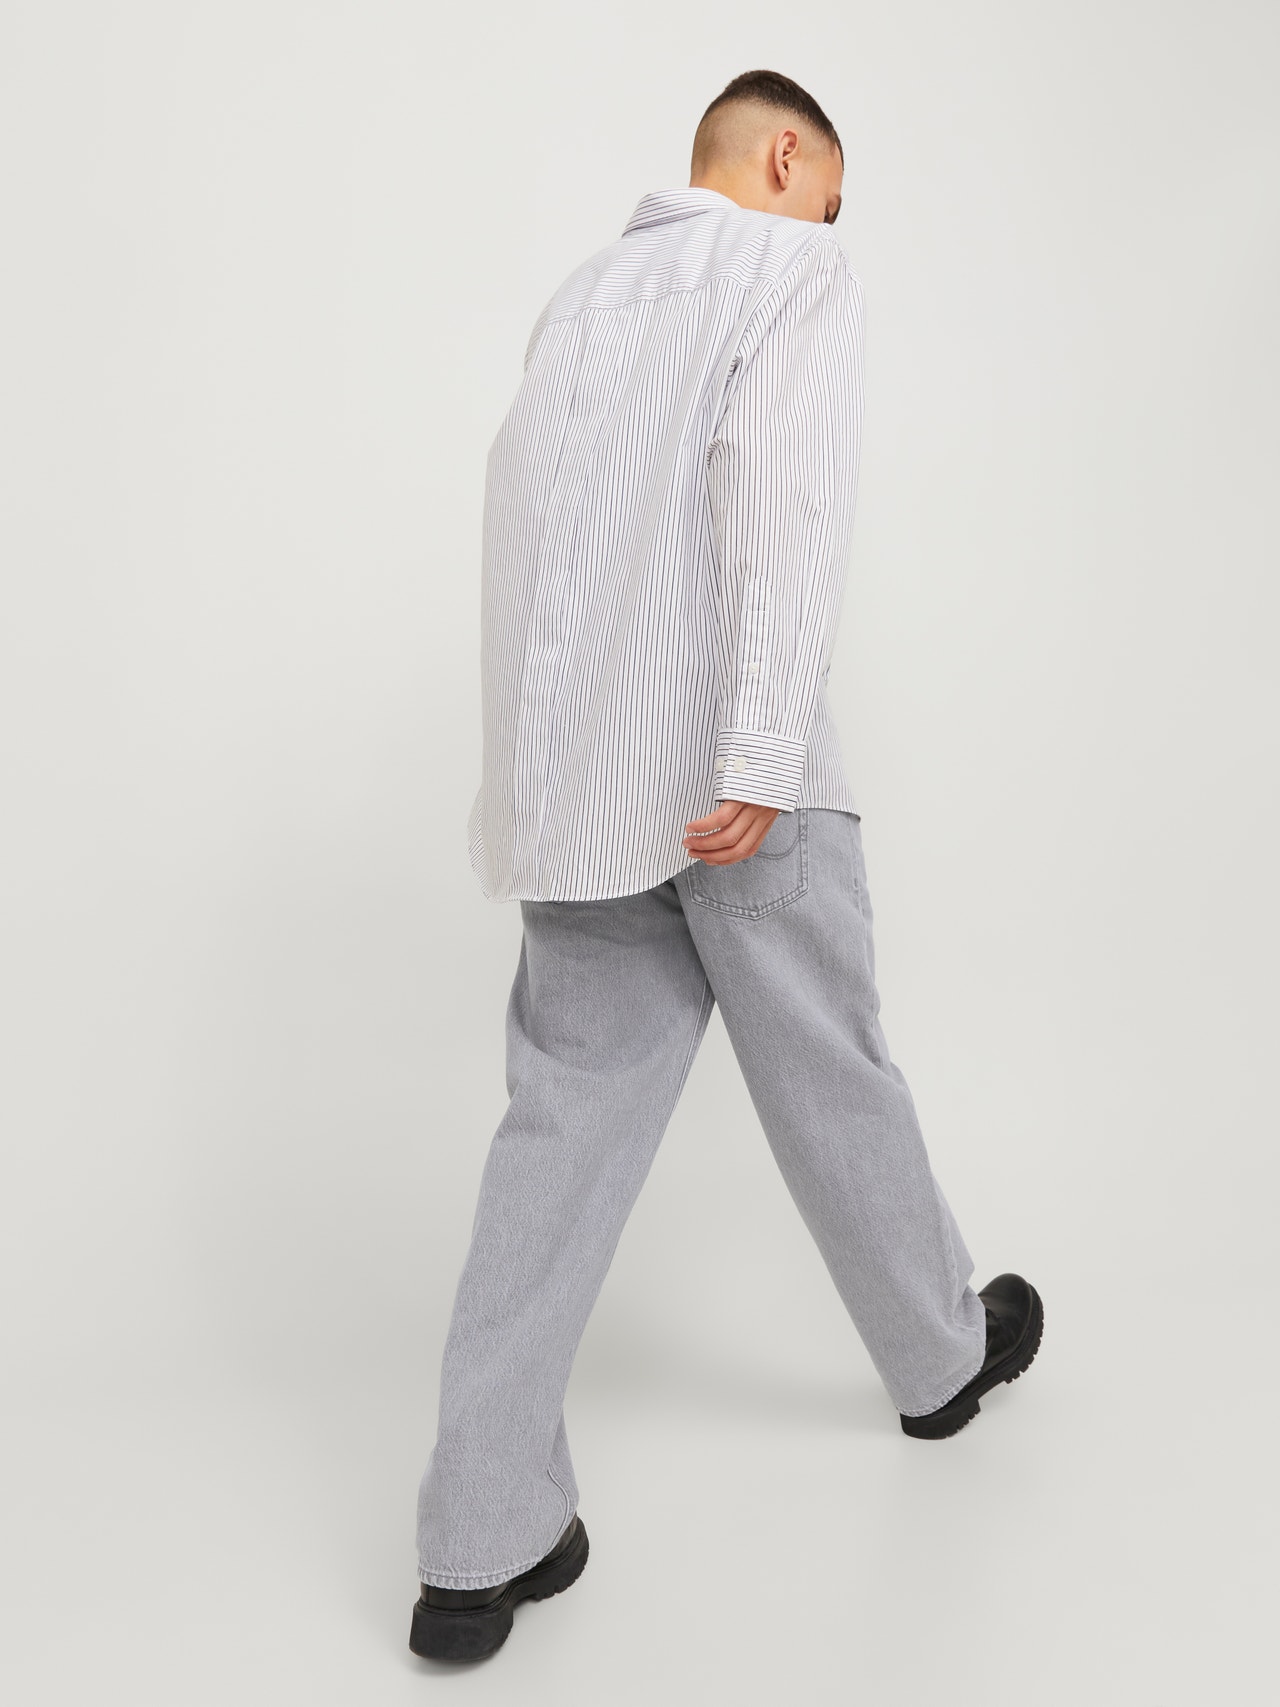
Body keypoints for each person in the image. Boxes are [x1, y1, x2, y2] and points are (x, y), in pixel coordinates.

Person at [409, 68, 1043, 1665]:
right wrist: (759, 755)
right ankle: (939, 1360)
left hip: (581, 796)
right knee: (833, 1066)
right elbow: (785, 501)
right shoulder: (790, 267)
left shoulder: (578, 301)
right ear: (785, 157)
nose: (835, 218)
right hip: (725, 786)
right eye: (833, 190)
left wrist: (534, 799)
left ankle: (477, 1540)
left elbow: (522, 536)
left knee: (557, 1132)